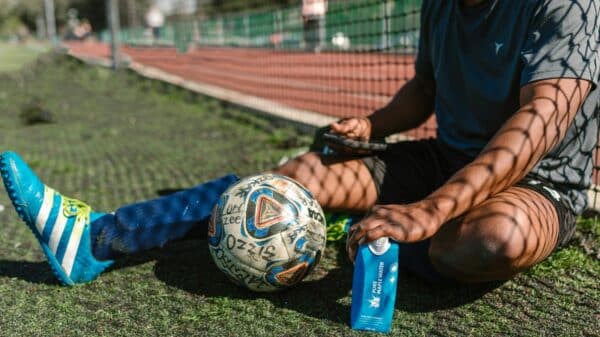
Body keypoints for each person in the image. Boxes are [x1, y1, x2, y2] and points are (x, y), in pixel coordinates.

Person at [1, 0, 598, 286]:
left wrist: (431, 211)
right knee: (294, 177)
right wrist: (374, 127)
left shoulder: (568, 6)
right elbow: (424, 88)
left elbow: (536, 129)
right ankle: (99, 237)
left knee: (485, 243)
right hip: (444, 158)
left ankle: (364, 232)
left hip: (539, 184)